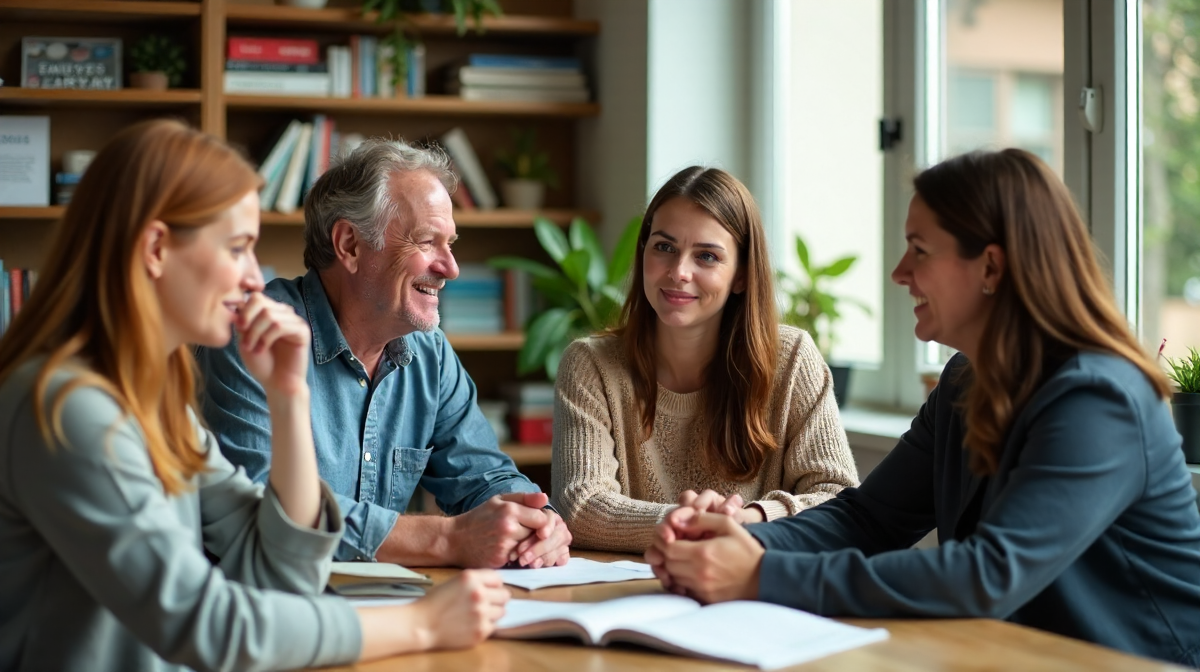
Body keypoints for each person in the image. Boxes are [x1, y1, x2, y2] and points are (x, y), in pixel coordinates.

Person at [645, 149, 1200, 666]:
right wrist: (738, 536)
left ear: (990, 268)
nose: (900, 272)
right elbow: (870, 519)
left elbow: (989, 573)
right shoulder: (964, 380)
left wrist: (761, 574)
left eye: (920, 249)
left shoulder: (1099, 397)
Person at [0, 120, 510, 672]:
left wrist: (288, 394)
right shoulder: (68, 408)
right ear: (156, 249)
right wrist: (424, 623)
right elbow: (207, 626)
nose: (252, 278)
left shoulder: (152, 403)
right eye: (238, 248)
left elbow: (279, 571)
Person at [195, 138, 571, 569]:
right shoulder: (255, 339)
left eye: (451, 244)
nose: (451, 268)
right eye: (427, 241)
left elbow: (484, 476)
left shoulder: (430, 353)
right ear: (350, 245)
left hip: (385, 604)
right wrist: (445, 539)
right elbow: (260, 513)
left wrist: (535, 522)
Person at [552, 166, 859, 553]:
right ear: (643, 250)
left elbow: (839, 499)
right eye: (664, 247)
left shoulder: (792, 358)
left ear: (742, 275)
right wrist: (702, 524)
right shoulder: (591, 364)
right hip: (631, 593)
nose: (679, 272)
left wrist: (751, 520)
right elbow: (580, 507)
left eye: (707, 256)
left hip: (757, 593)